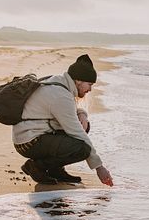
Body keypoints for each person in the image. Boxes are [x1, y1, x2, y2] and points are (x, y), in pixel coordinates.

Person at [12, 54, 113, 186]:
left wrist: (82, 113)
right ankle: (36, 166)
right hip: (28, 142)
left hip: (32, 134)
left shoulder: (59, 83)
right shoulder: (61, 95)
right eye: (89, 84)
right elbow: (76, 131)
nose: (90, 89)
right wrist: (99, 167)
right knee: (82, 148)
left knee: (84, 126)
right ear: (78, 81)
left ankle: (55, 170)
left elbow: (65, 110)